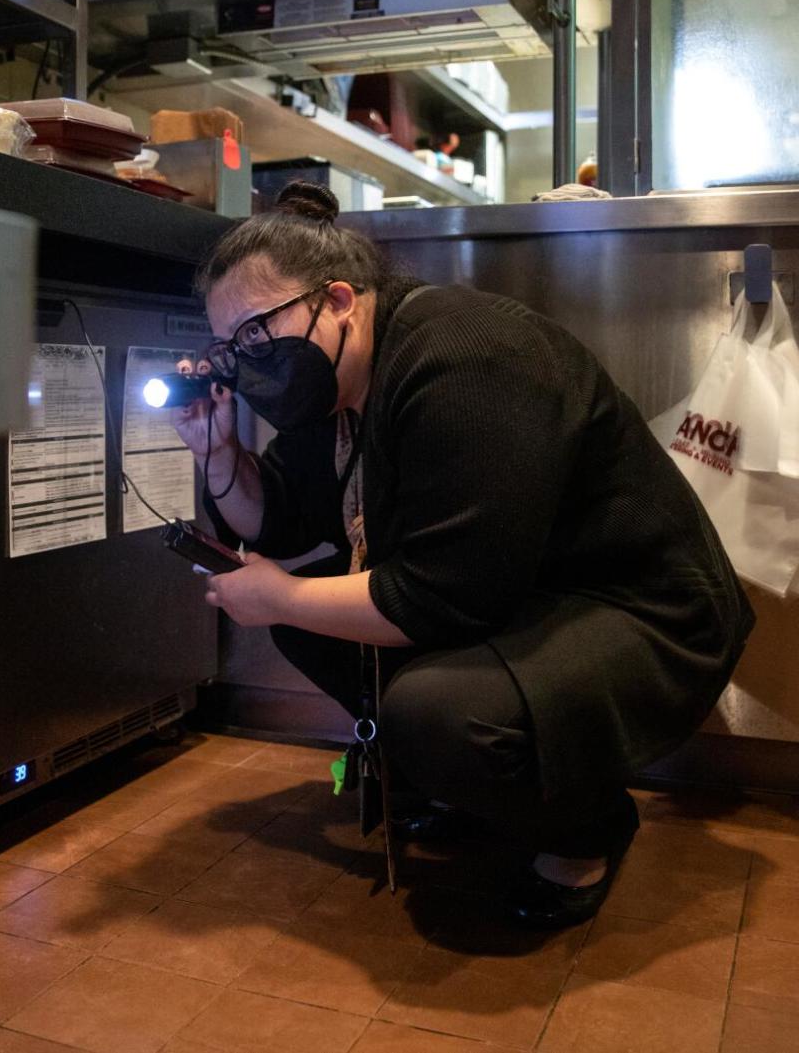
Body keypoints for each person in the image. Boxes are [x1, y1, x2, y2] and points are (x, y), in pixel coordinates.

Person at [172, 181, 754, 929]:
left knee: (436, 711)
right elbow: (279, 519)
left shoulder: (463, 354)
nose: (248, 362)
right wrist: (219, 450)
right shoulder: (342, 385)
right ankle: (467, 782)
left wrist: (279, 595)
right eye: (232, 348)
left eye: (257, 332)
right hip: (529, 598)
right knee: (312, 618)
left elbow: (444, 595)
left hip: (645, 610)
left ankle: (589, 828)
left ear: (340, 298)